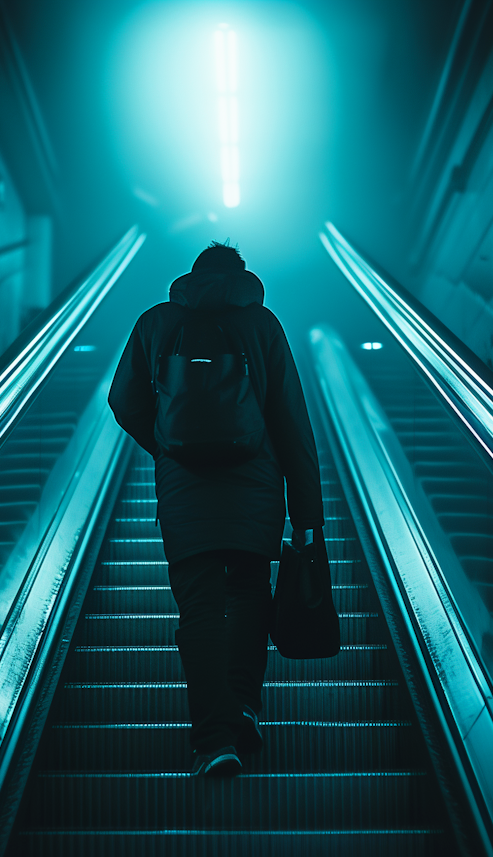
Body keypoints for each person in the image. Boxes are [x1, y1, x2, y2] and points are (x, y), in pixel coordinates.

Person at [108, 241, 324, 777]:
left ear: (193, 275)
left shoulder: (156, 323)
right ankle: (245, 707)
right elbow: (292, 425)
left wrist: (166, 446)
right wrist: (309, 519)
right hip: (254, 492)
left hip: (185, 496)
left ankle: (213, 741)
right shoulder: (262, 326)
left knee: (199, 609)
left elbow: (122, 400)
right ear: (241, 277)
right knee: (250, 596)